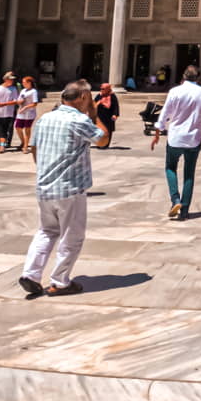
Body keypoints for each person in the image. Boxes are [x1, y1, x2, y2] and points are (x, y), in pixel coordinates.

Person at [19, 79, 100, 297]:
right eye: (87, 99)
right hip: (70, 188)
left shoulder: (45, 118)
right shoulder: (79, 119)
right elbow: (103, 139)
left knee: (46, 231)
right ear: (83, 97)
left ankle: (31, 274)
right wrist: (93, 110)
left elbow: (34, 148)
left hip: (45, 186)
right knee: (71, 236)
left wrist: (45, 170)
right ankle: (60, 281)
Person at [151, 66, 201, 220]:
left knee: (170, 168)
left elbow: (164, 113)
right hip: (193, 138)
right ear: (198, 78)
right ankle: (184, 210)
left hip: (175, 137)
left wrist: (158, 132)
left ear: (184, 76)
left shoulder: (175, 91)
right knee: (189, 174)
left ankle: (175, 200)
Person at [0, 72, 20, 152]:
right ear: (5, 80)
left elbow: (15, 100)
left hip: (9, 113)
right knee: (0, 130)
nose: (12, 81)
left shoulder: (13, 89)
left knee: (6, 130)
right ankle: (1, 145)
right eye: (10, 79)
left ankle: (3, 145)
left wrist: (4, 104)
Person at [14, 76, 40, 152]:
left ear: (29, 83)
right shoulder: (23, 91)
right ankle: (22, 141)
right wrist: (19, 101)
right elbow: (19, 99)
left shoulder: (33, 91)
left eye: (24, 82)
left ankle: (25, 146)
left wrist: (26, 107)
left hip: (29, 113)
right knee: (18, 127)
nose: (23, 83)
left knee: (27, 129)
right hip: (21, 112)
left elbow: (35, 103)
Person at [94, 82, 120, 148]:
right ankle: (99, 143)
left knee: (108, 130)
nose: (102, 90)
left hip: (109, 116)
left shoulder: (112, 96)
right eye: (101, 88)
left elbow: (116, 106)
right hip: (100, 116)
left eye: (103, 89)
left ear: (108, 89)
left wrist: (115, 114)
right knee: (99, 130)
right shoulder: (99, 95)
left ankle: (106, 144)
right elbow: (94, 103)